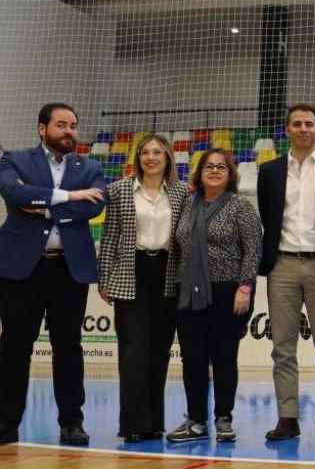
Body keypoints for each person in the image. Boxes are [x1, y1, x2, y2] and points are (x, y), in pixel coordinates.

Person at [0, 103, 107, 446]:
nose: (69, 131)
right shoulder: (15, 160)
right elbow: (14, 194)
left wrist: (42, 203)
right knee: (15, 348)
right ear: (42, 128)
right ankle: (5, 424)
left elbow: (94, 205)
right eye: (61, 125)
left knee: (68, 348)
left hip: (68, 268)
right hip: (21, 268)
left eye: (73, 125)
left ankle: (72, 423)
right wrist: (68, 196)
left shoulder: (90, 166)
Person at [257, 104, 315, 442]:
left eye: (309, 123)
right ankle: (287, 417)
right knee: (283, 345)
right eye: (296, 124)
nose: (303, 129)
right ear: (287, 130)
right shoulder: (268, 171)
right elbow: (268, 216)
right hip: (281, 264)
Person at [97, 134, 189, 443]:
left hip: (166, 274)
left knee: (159, 351)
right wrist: (104, 277)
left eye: (157, 153)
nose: (151, 157)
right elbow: (109, 237)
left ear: (167, 158)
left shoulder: (180, 192)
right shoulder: (119, 190)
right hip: (129, 271)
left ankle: (153, 423)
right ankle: (132, 424)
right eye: (145, 152)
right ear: (138, 157)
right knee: (133, 349)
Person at [168, 149, 260, 444]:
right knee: (192, 359)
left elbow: (253, 250)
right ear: (200, 172)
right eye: (210, 166)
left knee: (224, 358)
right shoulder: (187, 204)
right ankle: (195, 420)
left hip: (227, 291)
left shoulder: (241, 206)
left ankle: (223, 418)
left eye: (222, 167)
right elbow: (178, 246)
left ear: (230, 173)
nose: (216, 171)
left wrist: (244, 287)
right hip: (189, 292)